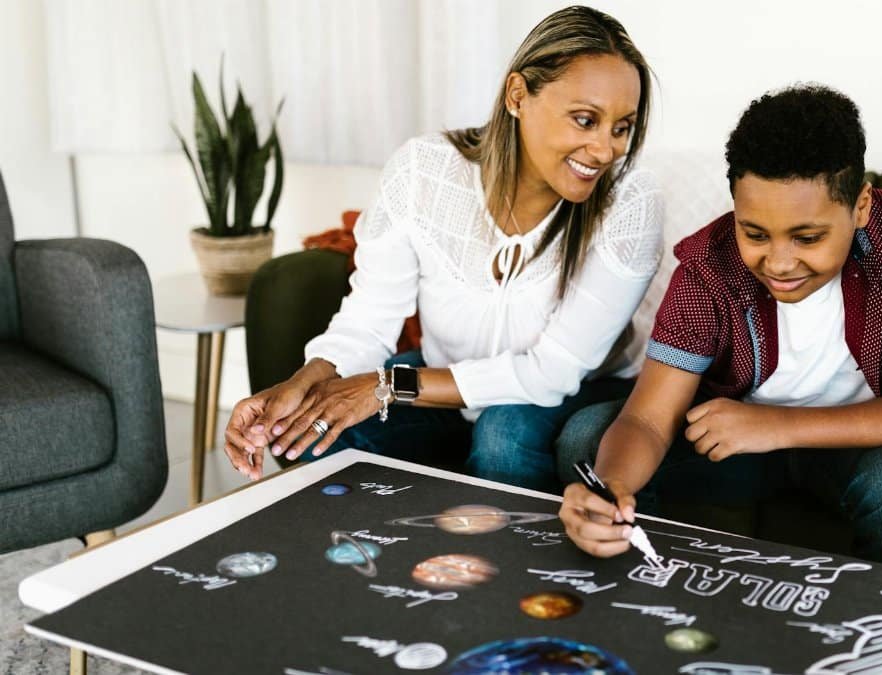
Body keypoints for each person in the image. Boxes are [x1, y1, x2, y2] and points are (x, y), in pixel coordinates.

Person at [222, 6, 662, 493]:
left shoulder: (630, 203)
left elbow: (551, 373)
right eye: (585, 120)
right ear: (518, 96)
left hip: (573, 389)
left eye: (621, 128)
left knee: (503, 435)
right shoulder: (424, 171)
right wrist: (304, 382)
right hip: (445, 380)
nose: (605, 150)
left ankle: (508, 560)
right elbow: (371, 317)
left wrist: (387, 387)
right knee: (311, 427)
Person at [557, 83, 882, 568]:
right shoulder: (710, 267)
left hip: (863, 449)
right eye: (755, 233)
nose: (779, 263)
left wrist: (778, 425)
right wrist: (612, 489)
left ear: (862, 206)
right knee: (590, 437)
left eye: (808, 237)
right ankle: (647, 591)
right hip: (738, 449)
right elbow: (645, 419)